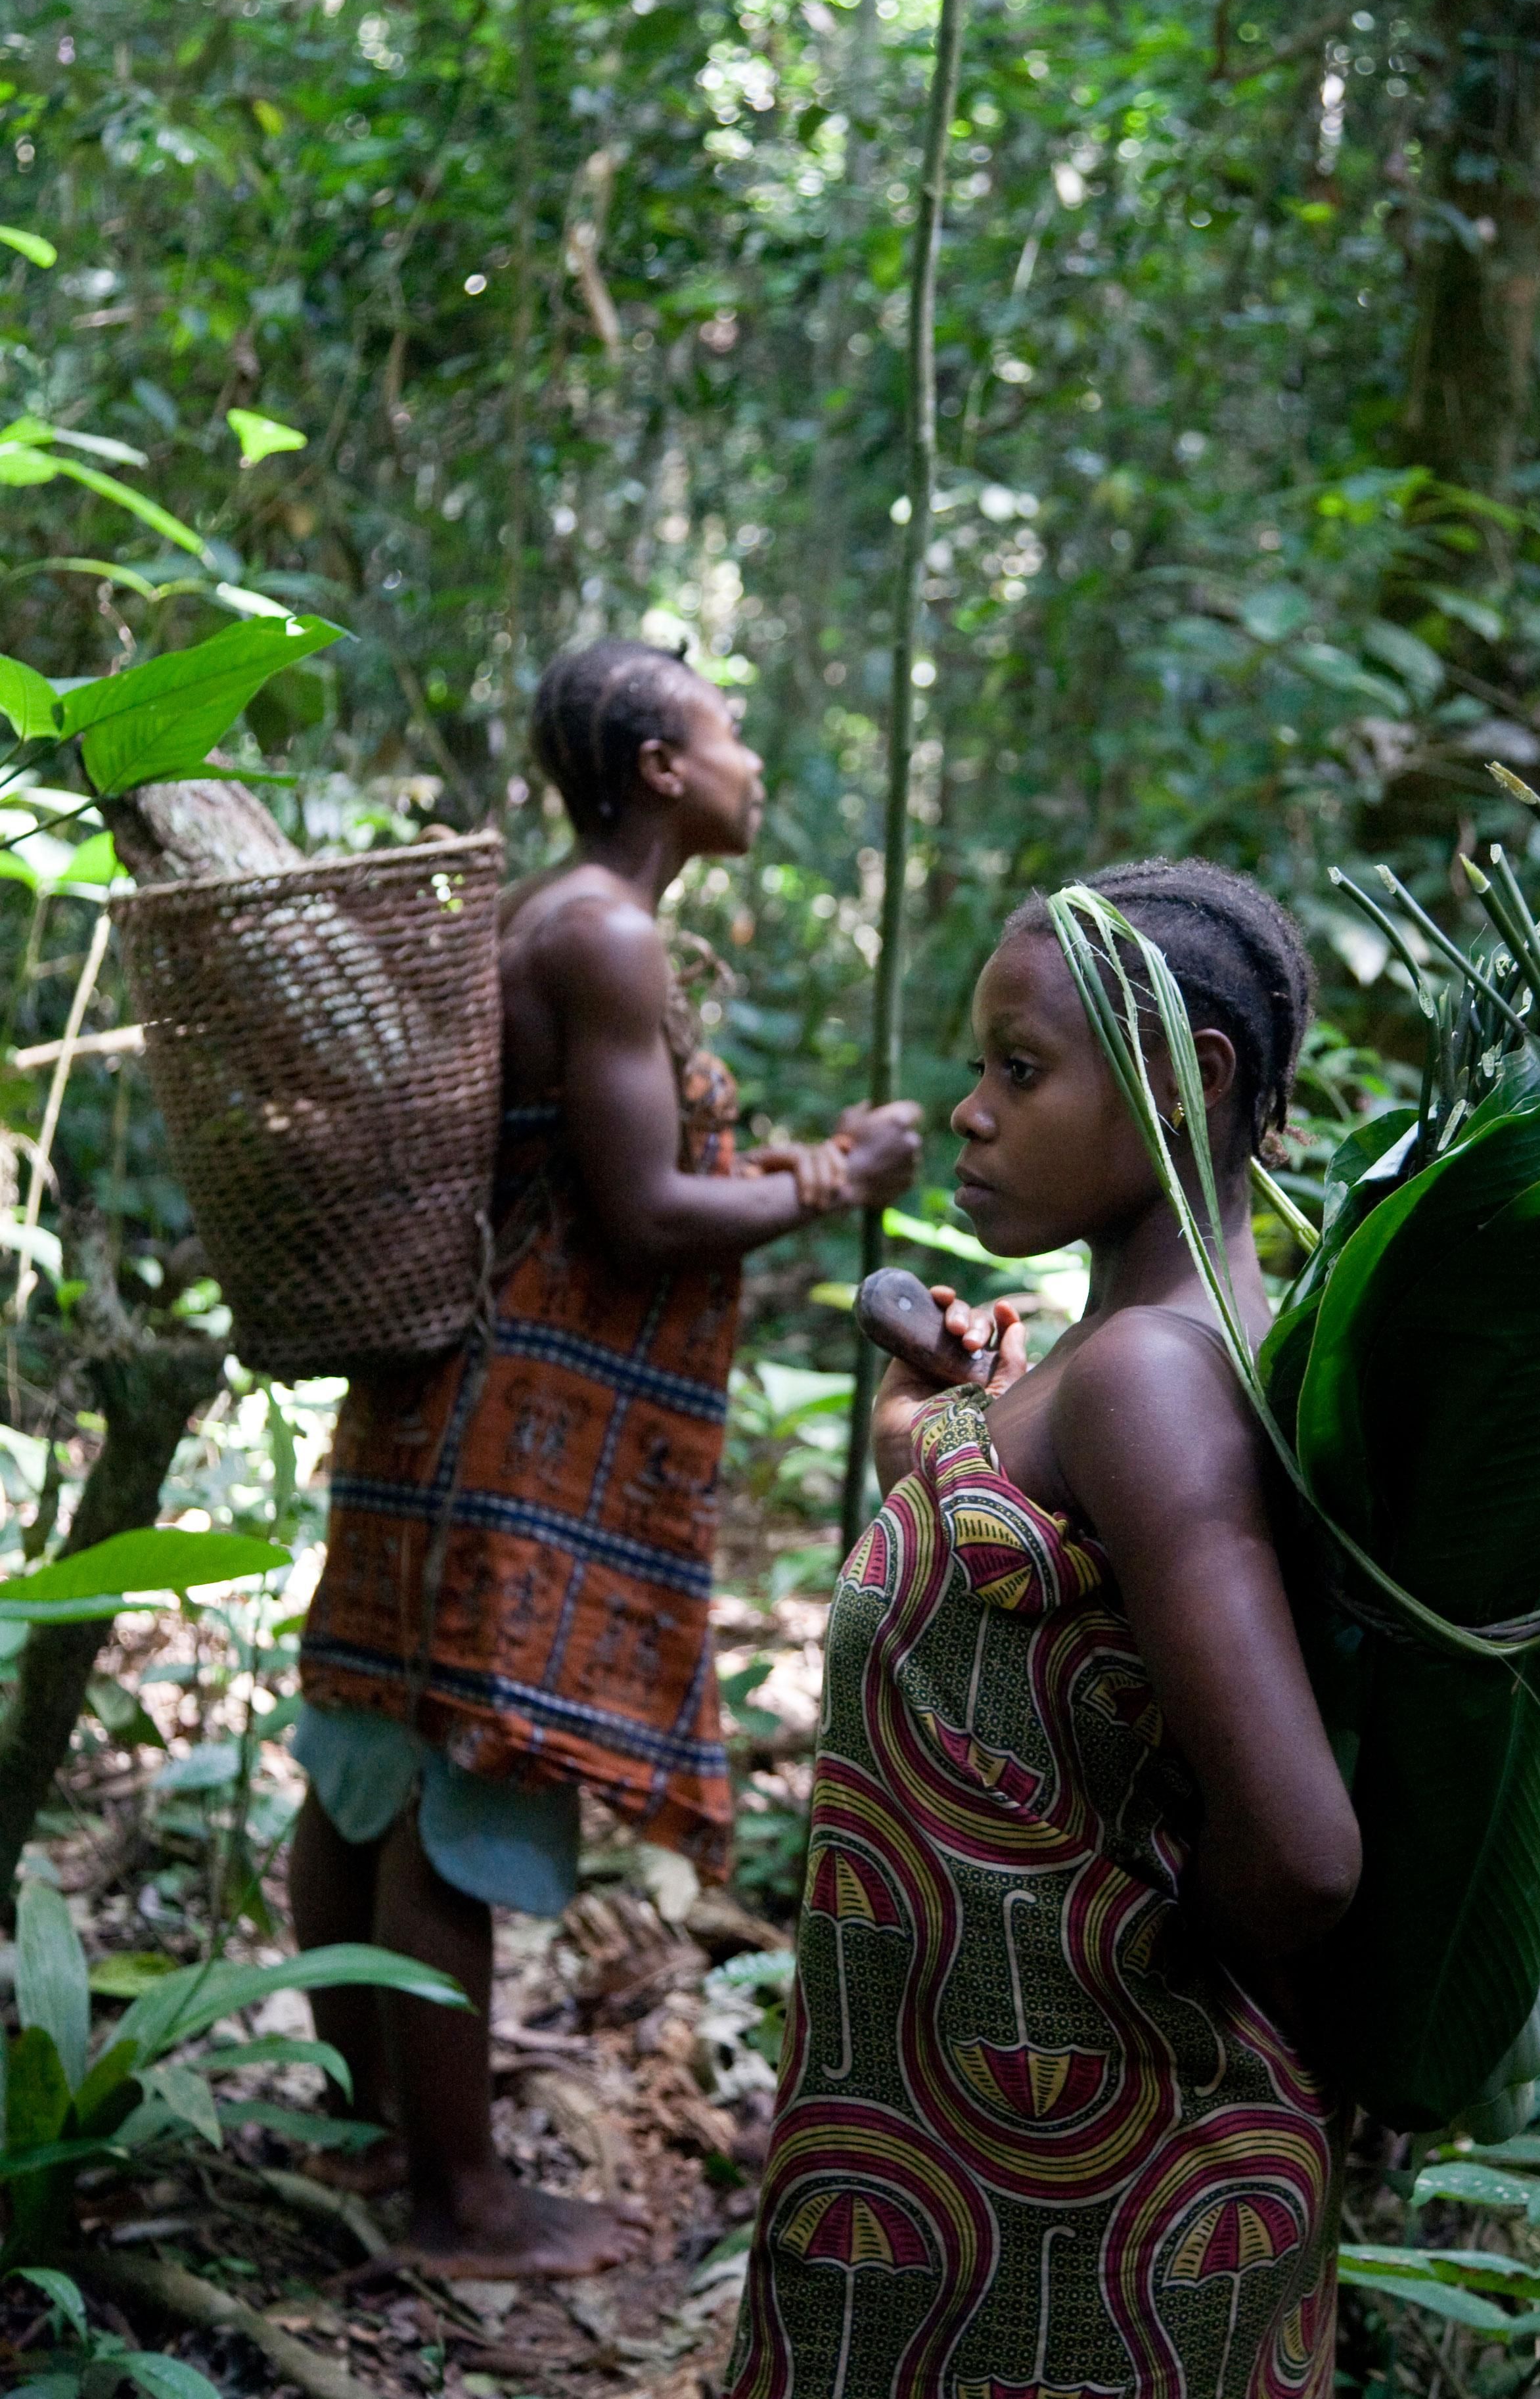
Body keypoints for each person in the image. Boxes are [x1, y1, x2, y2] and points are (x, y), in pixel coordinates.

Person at [290, 639, 922, 2279]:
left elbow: (587, 1171)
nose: (753, 760)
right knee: (447, 1792)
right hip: (509, 1431)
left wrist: (794, 1166)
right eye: (728, 731)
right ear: (657, 767)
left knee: (371, 1775)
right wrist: (831, 1190)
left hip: (439, 1410)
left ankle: (382, 2147)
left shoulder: (554, 918)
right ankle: (463, 2204)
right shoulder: (605, 930)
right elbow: (642, 1218)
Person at [725, 859, 1359, 2399]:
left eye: (1021, 1069)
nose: (969, 1112)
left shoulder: (1147, 1378)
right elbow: (1052, 1642)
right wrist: (928, 1452)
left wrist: (1131, 1995)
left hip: (1089, 2210)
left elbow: (1300, 1850)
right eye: (976, 1070)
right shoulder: (1121, 1367)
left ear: (1189, 1080)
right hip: (1002, 2208)